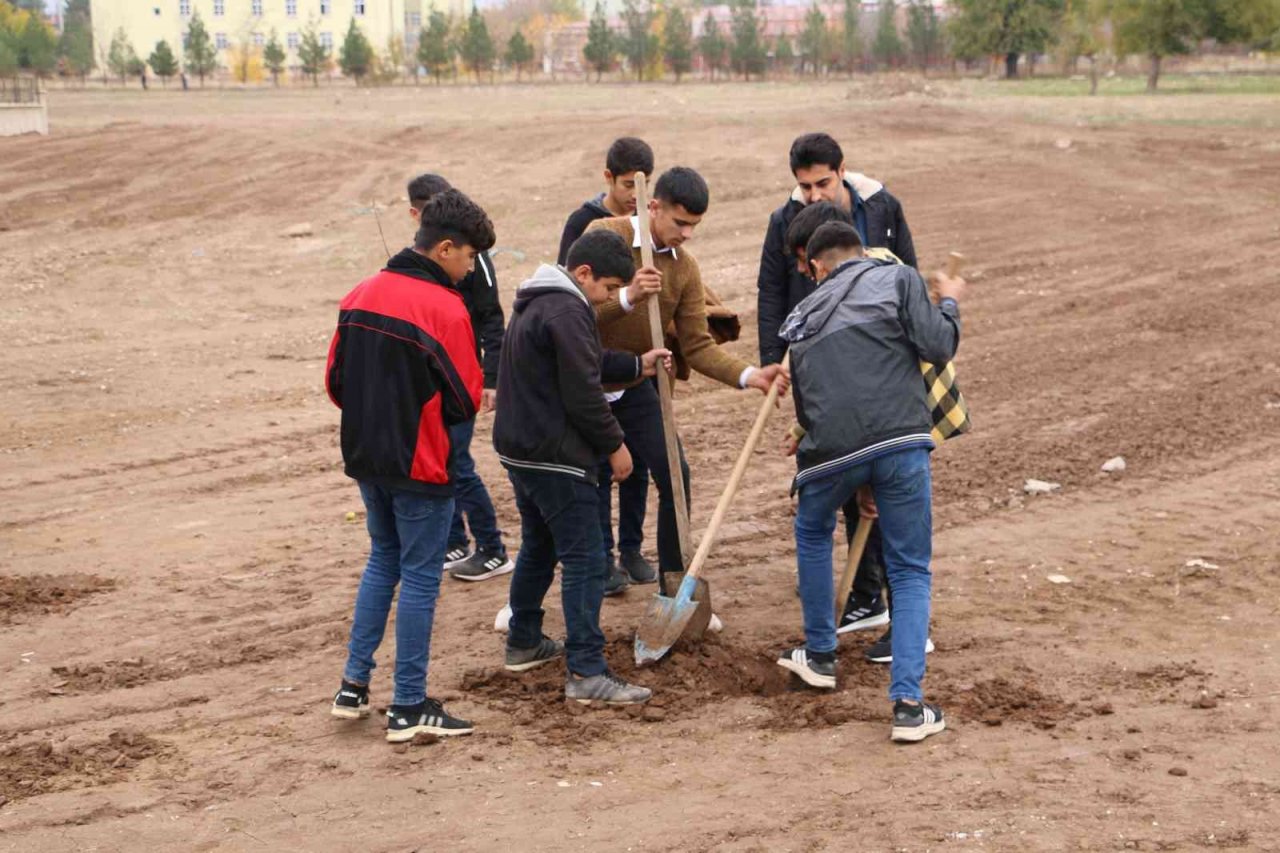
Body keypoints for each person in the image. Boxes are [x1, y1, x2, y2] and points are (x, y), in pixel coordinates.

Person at [775, 221, 964, 744]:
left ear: (817, 266)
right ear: (859, 252)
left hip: (827, 453)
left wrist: (853, 476)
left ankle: (819, 655)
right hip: (899, 442)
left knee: (812, 533)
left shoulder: (800, 315)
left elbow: (811, 404)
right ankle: (907, 705)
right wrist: (948, 302)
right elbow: (939, 346)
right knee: (908, 569)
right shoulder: (899, 279)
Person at [326, 189, 493, 742]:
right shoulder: (445, 308)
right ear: (445, 248)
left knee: (383, 562)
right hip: (421, 465)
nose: (471, 268)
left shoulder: (360, 292)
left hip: (366, 458)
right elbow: (466, 398)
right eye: (469, 257)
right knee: (420, 579)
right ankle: (408, 705)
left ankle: (352, 688)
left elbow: (335, 384)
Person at [586, 166, 789, 592]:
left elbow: (697, 346)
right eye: (680, 223)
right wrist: (628, 297)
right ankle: (590, 572)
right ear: (653, 206)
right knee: (589, 481)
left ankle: (674, 585)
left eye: (694, 225)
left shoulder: (685, 269)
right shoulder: (605, 235)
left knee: (675, 472)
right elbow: (572, 309)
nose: (687, 234)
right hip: (585, 381)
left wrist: (750, 375)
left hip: (643, 385)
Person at [493, 229, 671, 704]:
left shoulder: (540, 300)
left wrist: (637, 366)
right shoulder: (569, 308)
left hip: (521, 450)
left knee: (539, 545)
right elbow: (583, 390)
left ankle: (525, 639)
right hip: (555, 455)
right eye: (610, 289)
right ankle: (587, 670)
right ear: (584, 274)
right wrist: (616, 445)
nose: (611, 299)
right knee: (587, 559)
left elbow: (582, 363)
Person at [556, 138, 658, 593]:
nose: (634, 194)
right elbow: (572, 295)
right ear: (608, 179)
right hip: (594, 367)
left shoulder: (648, 223)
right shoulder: (583, 223)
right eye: (625, 184)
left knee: (636, 464)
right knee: (599, 463)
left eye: (642, 185)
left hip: (637, 369)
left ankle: (632, 548)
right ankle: (603, 559)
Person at [406, 174, 513, 583]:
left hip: (461, 376)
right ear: (417, 215)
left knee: (458, 462)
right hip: (431, 376)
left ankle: (491, 548)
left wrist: (492, 377)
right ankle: (454, 541)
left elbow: (491, 318)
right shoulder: (418, 260)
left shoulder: (475, 256)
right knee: (439, 459)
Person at [757, 132, 918, 369]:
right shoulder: (783, 222)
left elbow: (907, 273)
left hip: (882, 348)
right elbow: (772, 291)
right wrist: (772, 360)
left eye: (823, 184)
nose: (815, 196)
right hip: (818, 355)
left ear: (841, 170)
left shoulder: (883, 208)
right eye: (805, 186)